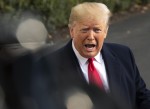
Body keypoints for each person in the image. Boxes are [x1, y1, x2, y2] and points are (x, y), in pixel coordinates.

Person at [38, 2, 150, 109]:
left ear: (105, 31)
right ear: (72, 31)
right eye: (85, 29)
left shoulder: (123, 55)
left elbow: (142, 97)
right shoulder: (49, 66)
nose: (91, 36)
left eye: (97, 30)